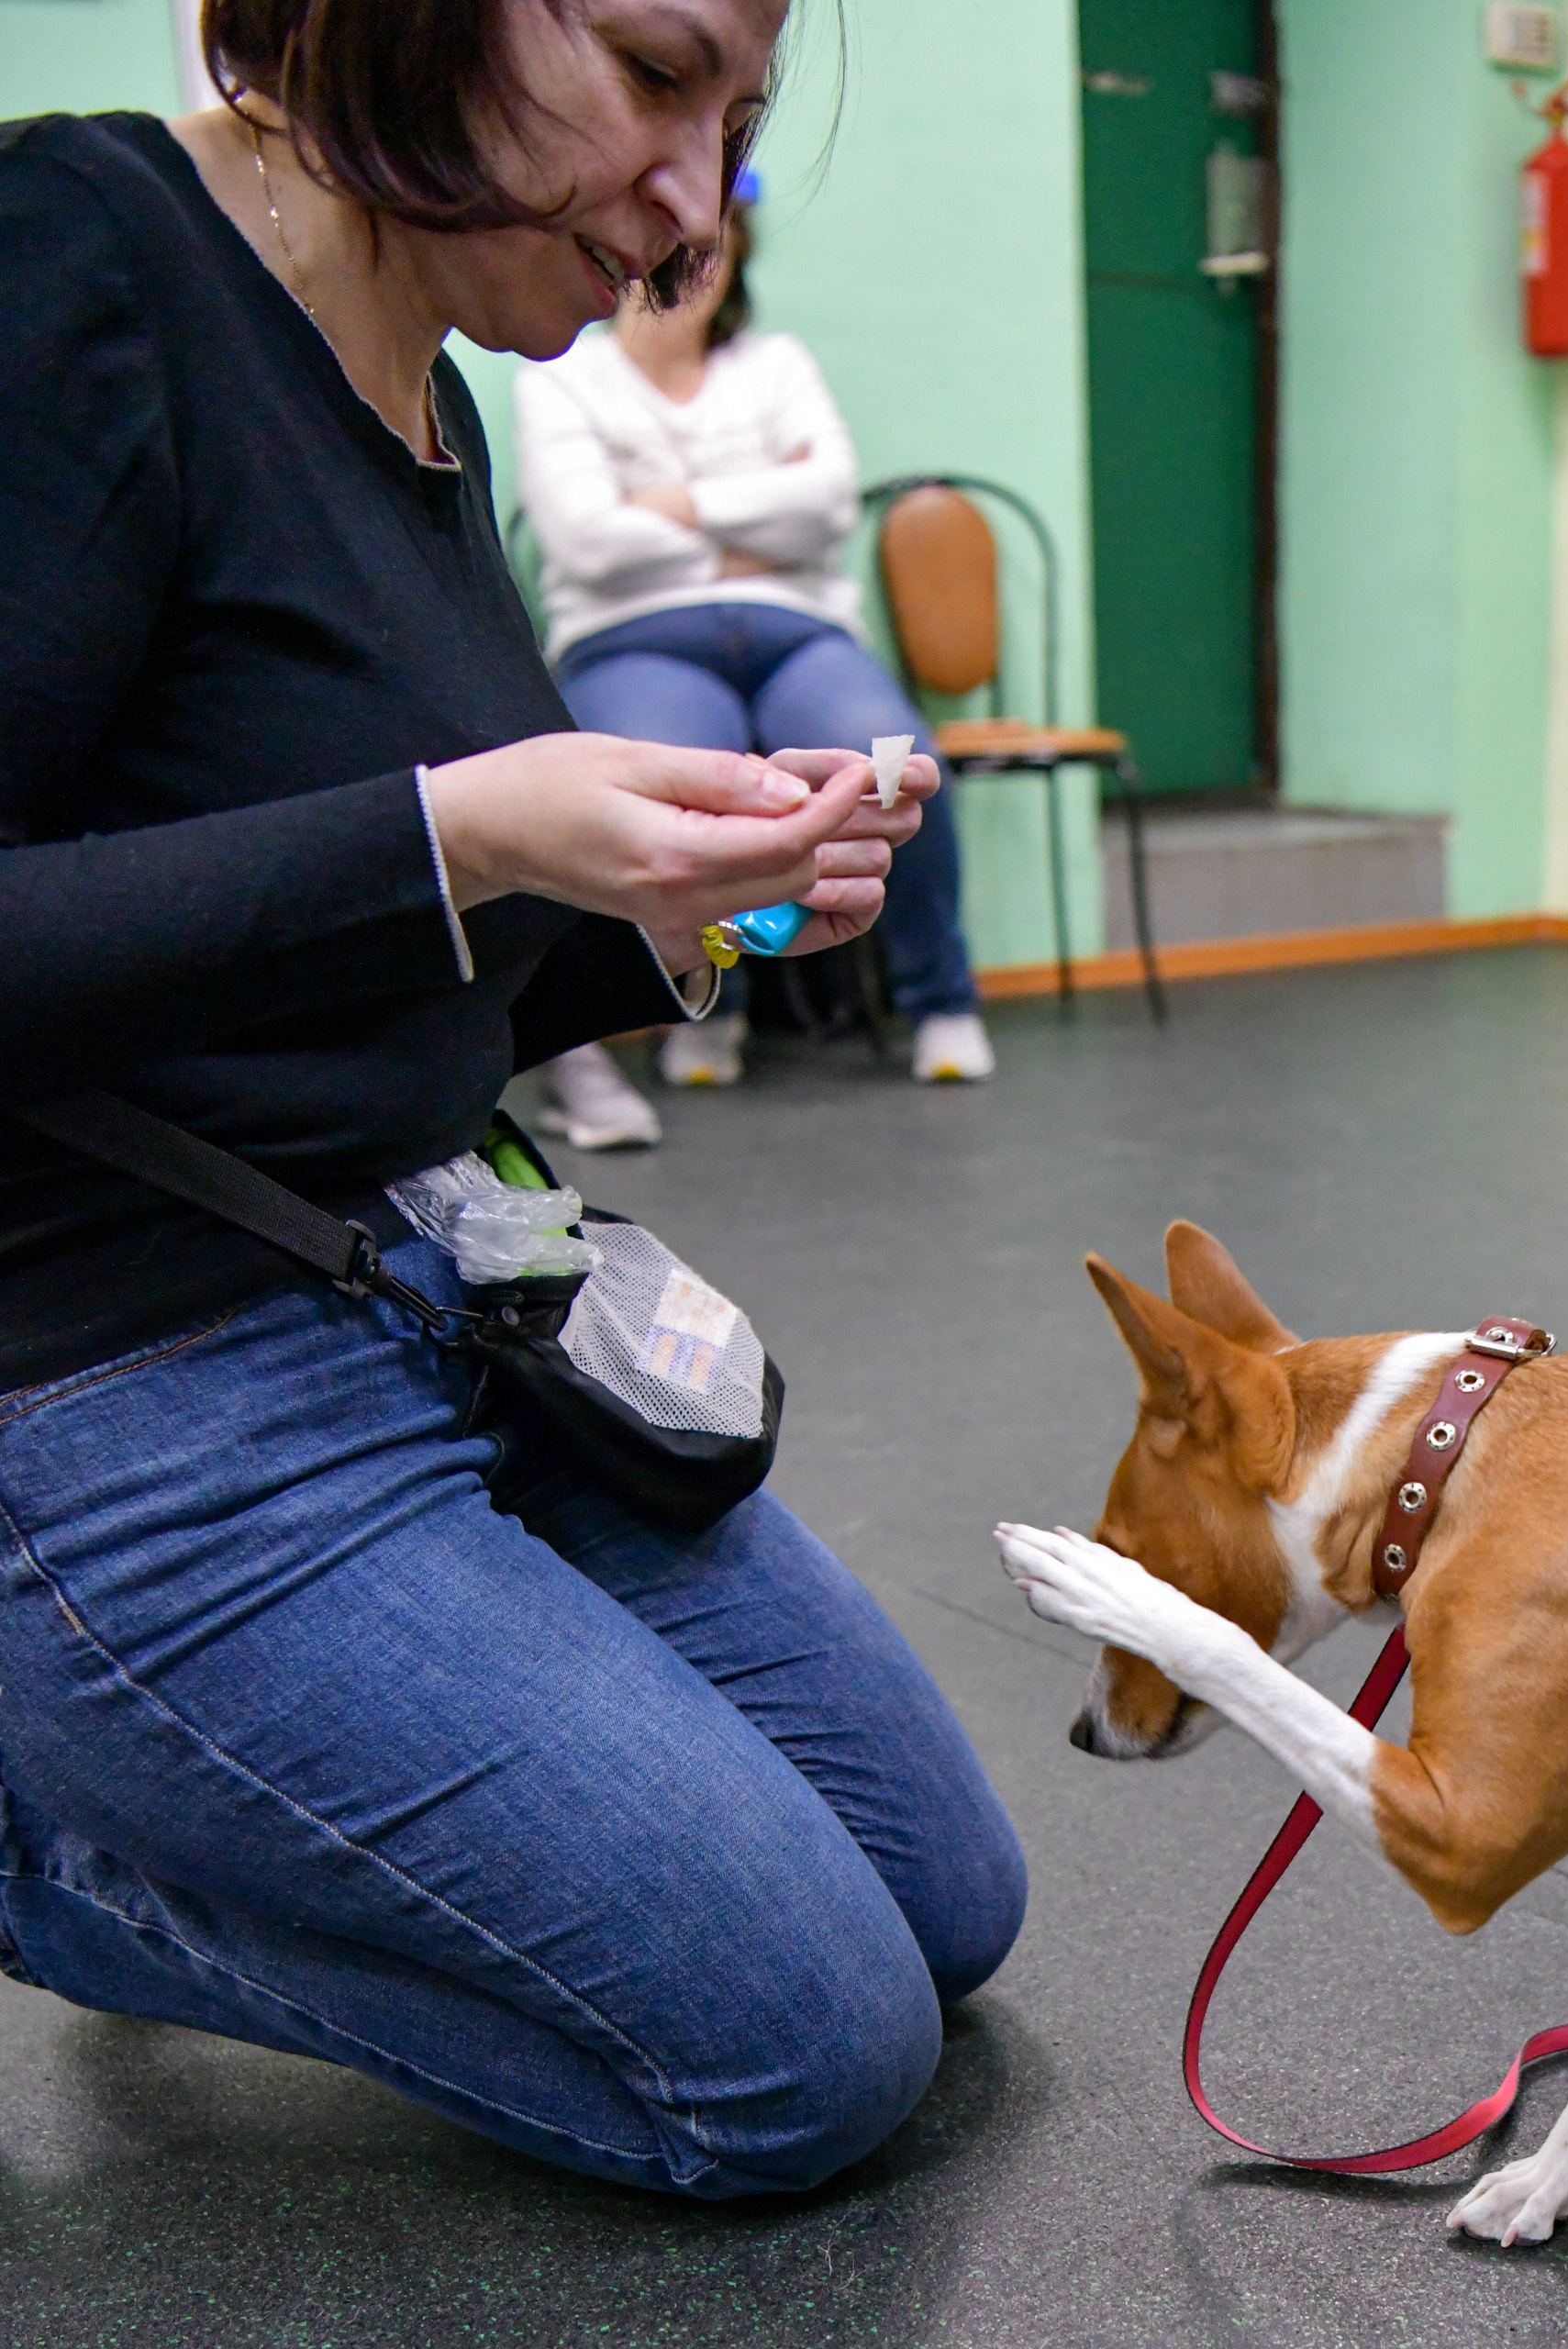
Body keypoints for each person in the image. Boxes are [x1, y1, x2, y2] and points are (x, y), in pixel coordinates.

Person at [0, 0, 1024, 2198]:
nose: (695, 203)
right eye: (658, 79)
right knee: (801, 2053)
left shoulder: (433, 378)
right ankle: (38, 1849)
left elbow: (370, 955)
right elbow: (385, 857)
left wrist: (714, 907)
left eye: (734, 123)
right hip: (104, 1386)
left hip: (428, 1284)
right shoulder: (73, 261)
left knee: (949, 1899)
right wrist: (459, 828)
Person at [517, 196, 993, 1144]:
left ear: (732, 268)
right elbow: (585, 541)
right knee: (681, 783)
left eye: (710, 254)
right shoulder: (564, 375)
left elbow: (825, 508)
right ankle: (714, 1000)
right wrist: (746, 526)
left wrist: (668, 505)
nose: (686, 272)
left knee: (892, 761)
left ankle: (942, 999)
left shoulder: (776, 364)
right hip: (633, 636)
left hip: (798, 629)